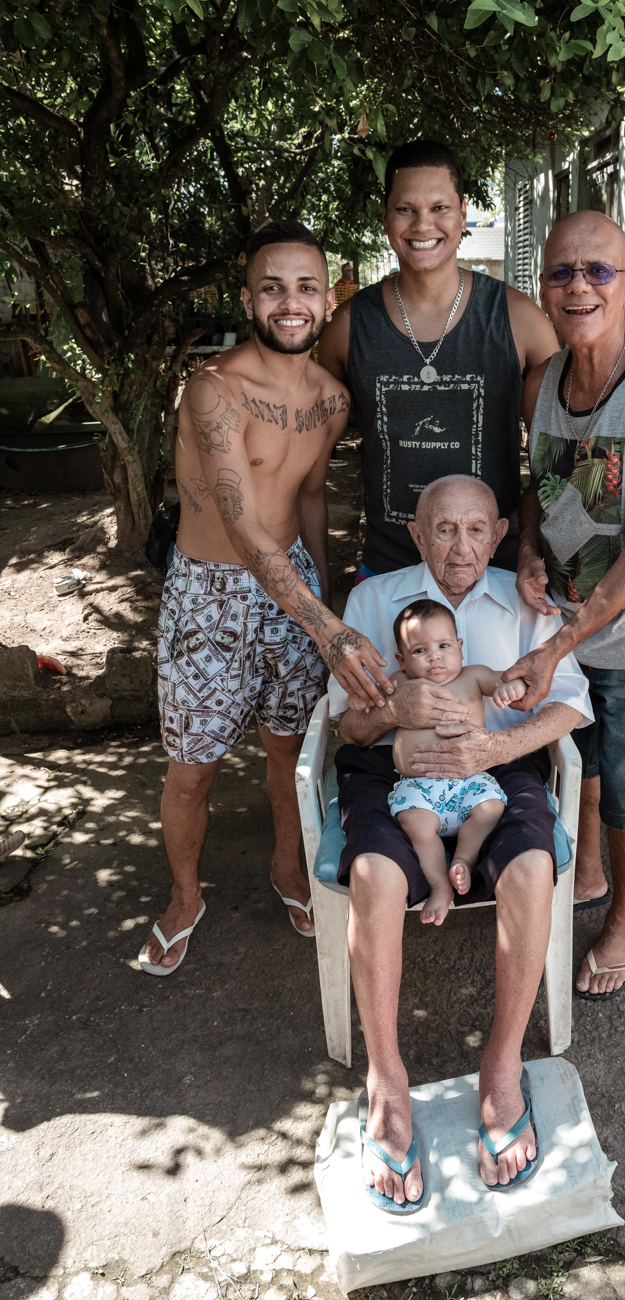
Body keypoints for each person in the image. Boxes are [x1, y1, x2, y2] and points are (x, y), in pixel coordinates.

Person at [329, 474, 593, 1207]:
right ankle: (387, 1081)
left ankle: (502, 1069)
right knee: (377, 877)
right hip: (395, 776)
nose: (461, 546)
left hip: (496, 773)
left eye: (477, 530)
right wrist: (390, 715)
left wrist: (494, 752)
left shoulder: (527, 601)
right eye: (443, 530)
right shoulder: (373, 603)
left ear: (501, 533)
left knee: (534, 866)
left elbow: (572, 704)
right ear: (416, 535)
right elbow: (344, 726)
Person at [140, 218, 394, 974]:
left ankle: (289, 866)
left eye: (306, 288)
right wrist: (331, 631)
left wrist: (327, 595)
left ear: (327, 299)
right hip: (208, 598)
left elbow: (310, 498)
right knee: (192, 765)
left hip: (295, 594)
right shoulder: (212, 391)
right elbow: (245, 529)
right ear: (248, 301)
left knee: (289, 747)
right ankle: (185, 896)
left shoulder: (331, 399)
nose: (292, 303)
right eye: (273, 288)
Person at [501, 209, 625, 1001]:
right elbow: (542, 486)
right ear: (542, 287)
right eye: (561, 272)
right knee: (573, 757)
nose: (579, 286)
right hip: (566, 615)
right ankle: (585, 870)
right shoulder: (544, 381)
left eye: (598, 271)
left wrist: (552, 649)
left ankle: (624, 920)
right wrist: (526, 551)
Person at [318, 139, 558, 578]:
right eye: (405, 209)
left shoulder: (520, 320)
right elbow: (306, 462)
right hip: (389, 574)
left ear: (463, 214)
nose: (422, 223)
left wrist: (532, 552)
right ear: (386, 217)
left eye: (439, 208)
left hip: (496, 576)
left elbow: (559, 461)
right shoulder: (349, 329)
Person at [358, 596, 528, 925]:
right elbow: (369, 705)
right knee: (415, 823)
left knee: (491, 807)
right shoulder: (401, 683)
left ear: (460, 647)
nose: (434, 656)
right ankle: (439, 886)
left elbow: (503, 680)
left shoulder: (473, 675)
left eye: (444, 645)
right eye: (420, 651)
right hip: (418, 787)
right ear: (402, 659)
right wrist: (367, 699)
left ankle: (463, 858)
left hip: (469, 781)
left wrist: (512, 687)